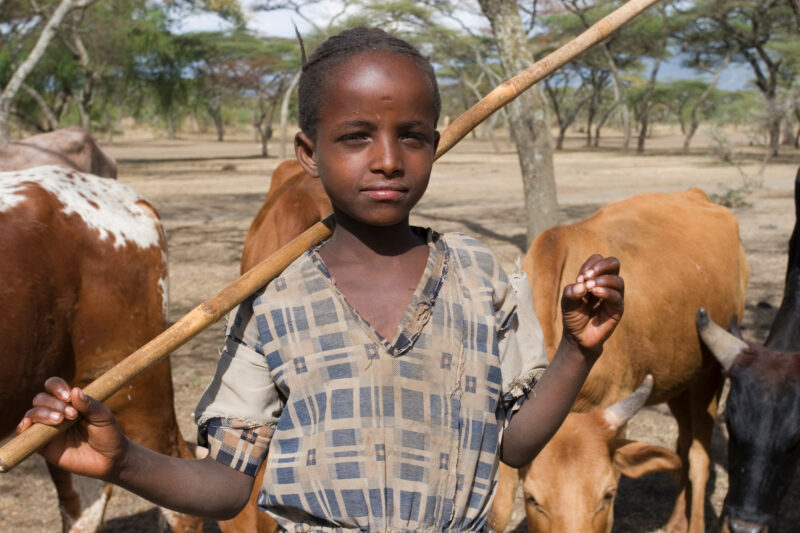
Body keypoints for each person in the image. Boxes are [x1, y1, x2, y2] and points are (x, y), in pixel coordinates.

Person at [17, 27, 624, 532]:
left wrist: (577, 350)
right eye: (356, 137)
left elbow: (514, 445)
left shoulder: (478, 274)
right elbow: (226, 486)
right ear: (309, 153)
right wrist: (123, 460)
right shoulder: (273, 298)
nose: (388, 160)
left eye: (411, 137)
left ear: (435, 146)